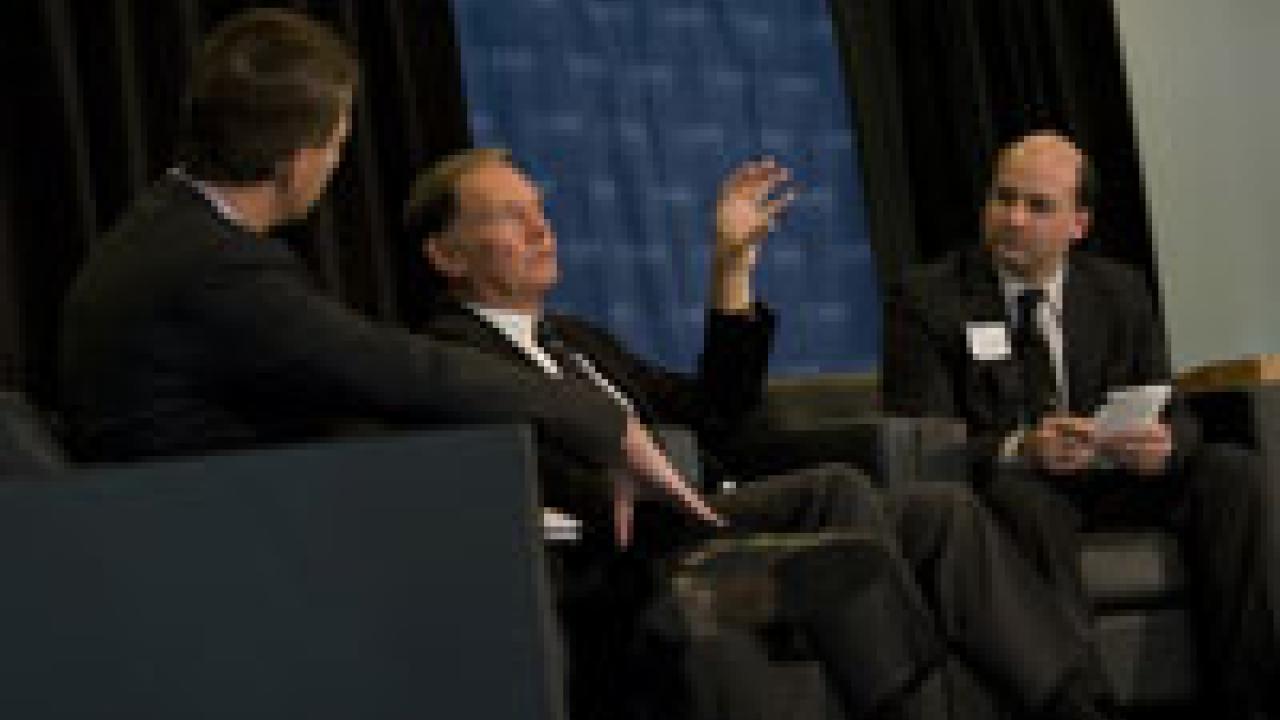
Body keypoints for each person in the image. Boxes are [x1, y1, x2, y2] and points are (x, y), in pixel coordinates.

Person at [402, 147, 1114, 720]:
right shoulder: (453, 360)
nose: (540, 229)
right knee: (834, 493)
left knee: (941, 513)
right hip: (651, 555)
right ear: (446, 254)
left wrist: (731, 267)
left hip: (725, 521)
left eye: (540, 210)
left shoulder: (577, 340)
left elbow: (717, 409)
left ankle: (1077, 705)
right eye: (509, 216)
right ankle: (908, 702)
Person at [58, 8, 720, 546]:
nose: (337, 165)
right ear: (295, 163)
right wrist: (600, 419)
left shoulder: (165, 230)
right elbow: (394, 369)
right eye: (338, 145)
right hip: (212, 553)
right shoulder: (212, 267)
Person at [882, 130, 1279, 717]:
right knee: (1026, 499)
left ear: (1079, 224)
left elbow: (1173, 408)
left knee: (1236, 475)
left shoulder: (1119, 290)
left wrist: (1166, 446)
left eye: (1037, 205)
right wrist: (1022, 447)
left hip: (1116, 476)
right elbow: (924, 442)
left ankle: (1256, 698)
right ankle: (1083, 704)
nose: (1013, 219)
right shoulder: (928, 299)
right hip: (1017, 485)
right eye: (1002, 198)